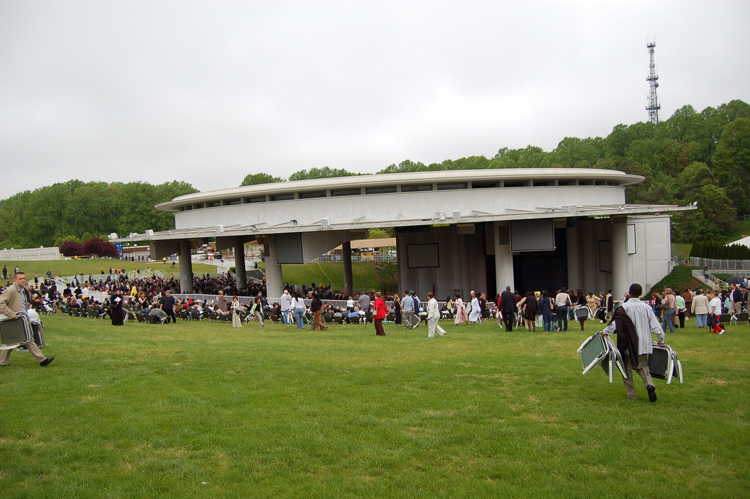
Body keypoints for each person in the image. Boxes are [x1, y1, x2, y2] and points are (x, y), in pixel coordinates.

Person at [602, 283, 665, 402]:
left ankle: (632, 394)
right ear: (640, 294)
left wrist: (604, 332)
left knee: (626, 369)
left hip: (629, 345)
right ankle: (649, 384)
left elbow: (615, 325)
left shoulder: (624, 308)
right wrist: (661, 340)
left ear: (629, 293)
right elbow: (656, 327)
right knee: (643, 367)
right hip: (644, 344)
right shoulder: (647, 307)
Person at [0, 271, 55, 367]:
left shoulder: (22, 290)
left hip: (21, 319)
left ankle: (2, 362)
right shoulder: (11, 290)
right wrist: (11, 314)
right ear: (15, 280)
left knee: (11, 341)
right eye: (20, 279)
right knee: (28, 339)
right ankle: (42, 360)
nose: (23, 280)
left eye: (24, 278)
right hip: (15, 320)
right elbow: (1, 304)